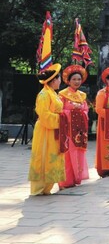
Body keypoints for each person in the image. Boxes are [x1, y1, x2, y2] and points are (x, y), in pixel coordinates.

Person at [28, 64, 65, 195]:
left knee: (53, 155)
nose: (61, 81)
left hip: (54, 129)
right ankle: (38, 188)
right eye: (59, 79)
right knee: (43, 156)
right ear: (54, 80)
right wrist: (61, 119)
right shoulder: (44, 95)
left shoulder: (53, 93)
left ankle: (47, 187)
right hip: (45, 130)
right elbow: (44, 114)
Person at [58, 65, 90, 189]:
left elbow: (86, 110)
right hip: (68, 129)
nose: (77, 82)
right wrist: (72, 112)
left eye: (79, 79)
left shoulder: (82, 95)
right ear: (68, 80)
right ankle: (67, 180)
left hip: (80, 130)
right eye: (74, 79)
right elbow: (60, 110)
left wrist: (81, 112)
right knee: (68, 153)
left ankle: (78, 177)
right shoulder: (63, 94)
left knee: (79, 151)